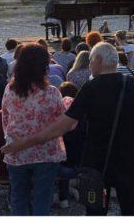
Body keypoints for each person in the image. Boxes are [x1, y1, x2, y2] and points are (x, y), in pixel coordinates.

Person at [2, 42, 134, 216]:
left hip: (98, 161)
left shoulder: (90, 88)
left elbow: (62, 126)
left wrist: (21, 144)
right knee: (132, 210)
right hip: (129, 159)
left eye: (90, 61)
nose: (89, 65)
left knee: (95, 211)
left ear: (98, 60)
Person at [1, 43, 66, 215]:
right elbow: (62, 121)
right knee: (42, 198)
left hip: (16, 152)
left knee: (18, 197)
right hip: (46, 152)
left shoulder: (10, 89)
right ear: (44, 66)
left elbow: (5, 118)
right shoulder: (51, 92)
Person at [56, 82, 86, 210]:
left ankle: (61, 198)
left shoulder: (57, 116)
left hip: (61, 168)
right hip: (83, 166)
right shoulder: (85, 115)